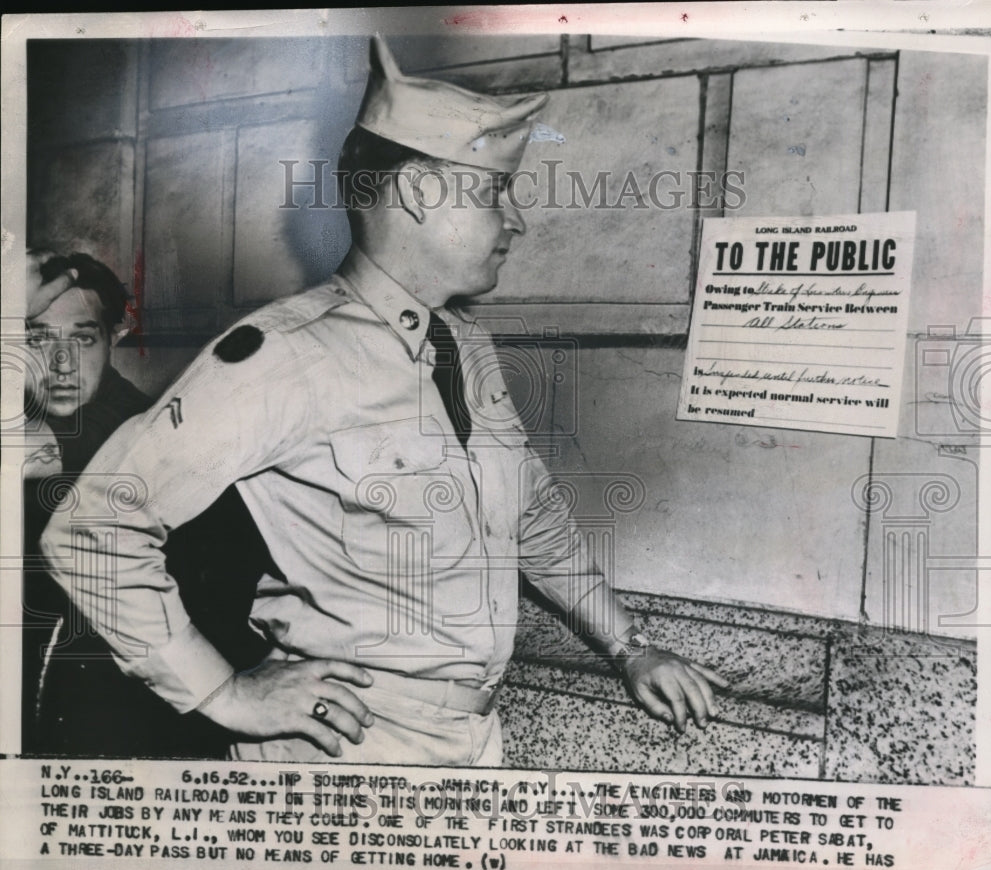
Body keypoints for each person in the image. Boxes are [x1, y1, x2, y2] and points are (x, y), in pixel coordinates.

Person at [40, 37, 728, 766]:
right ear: (419, 195)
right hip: (345, 752)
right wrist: (224, 695)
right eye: (495, 192)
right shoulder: (286, 354)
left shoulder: (466, 347)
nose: (517, 221)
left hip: (470, 746)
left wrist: (630, 646)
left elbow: (533, 519)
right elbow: (94, 527)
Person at [22, 250, 265, 756]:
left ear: (116, 335)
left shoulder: (134, 430)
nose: (61, 364)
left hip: (120, 714)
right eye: (38, 339)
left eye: (82, 338)